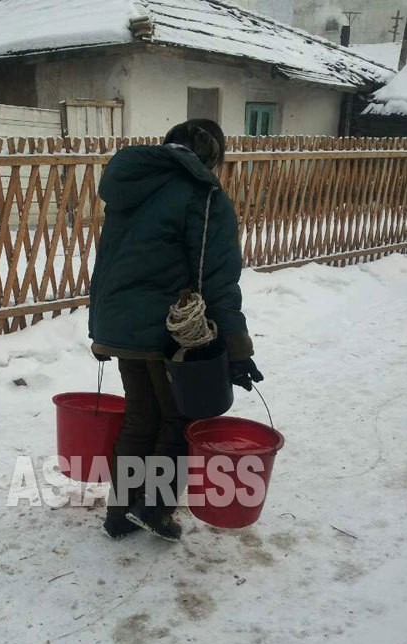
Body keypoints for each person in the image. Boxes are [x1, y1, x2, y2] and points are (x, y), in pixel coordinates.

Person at [88, 119, 262, 542]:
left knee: (140, 416)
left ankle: (120, 511)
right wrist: (235, 347)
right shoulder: (202, 195)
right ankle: (155, 507)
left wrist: (102, 326)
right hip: (171, 328)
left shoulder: (130, 184)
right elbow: (217, 278)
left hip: (121, 324)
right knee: (181, 418)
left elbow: (110, 258)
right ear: (210, 157)